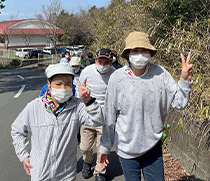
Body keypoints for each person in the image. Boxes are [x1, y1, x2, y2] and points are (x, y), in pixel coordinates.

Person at [98, 31, 193, 181]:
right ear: (128, 53)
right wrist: (105, 147)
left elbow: (179, 102)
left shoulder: (160, 74)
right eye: (135, 50)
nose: (139, 54)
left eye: (143, 50)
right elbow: (109, 115)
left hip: (152, 146)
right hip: (126, 148)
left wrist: (185, 80)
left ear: (150, 53)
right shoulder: (117, 78)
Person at [11, 63, 104, 181]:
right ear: (49, 84)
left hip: (66, 174)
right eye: (58, 84)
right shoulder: (34, 107)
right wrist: (23, 155)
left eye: (68, 84)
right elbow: (17, 130)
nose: (63, 88)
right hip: (40, 173)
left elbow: (98, 121)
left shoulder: (78, 106)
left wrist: (88, 101)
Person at [76, 48, 115, 181]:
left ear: (111, 62)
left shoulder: (114, 73)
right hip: (87, 116)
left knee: (102, 147)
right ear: (96, 60)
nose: (103, 65)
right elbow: (79, 91)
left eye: (106, 62)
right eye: (100, 62)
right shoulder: (87, 71)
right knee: (85, 147)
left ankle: (100, 172)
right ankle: (87, 162)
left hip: (105, 117)